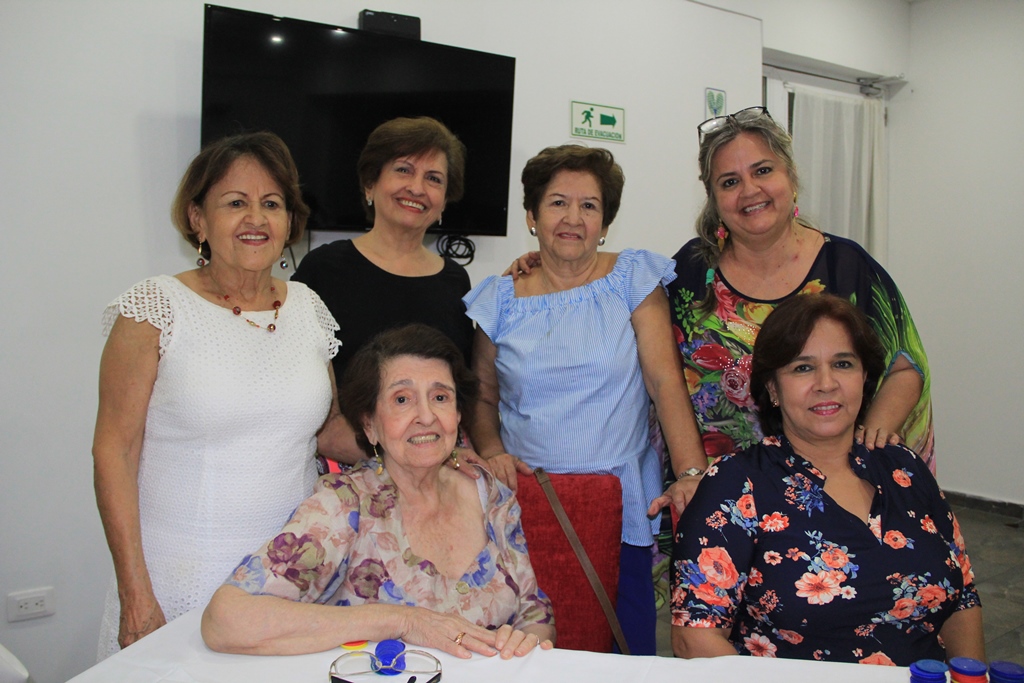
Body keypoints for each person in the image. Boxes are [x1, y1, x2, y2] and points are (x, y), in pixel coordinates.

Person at [92, 132, 340, 659]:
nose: (256, 218)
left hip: (291, 579)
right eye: (235, 203)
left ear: (290, 222)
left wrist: (420, 441)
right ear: (197, 219)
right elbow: (113, 451)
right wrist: (136, 593)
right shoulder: (154, 308)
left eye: (272, 204)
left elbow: (328, 428)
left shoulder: (308, 307)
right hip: (180, 579)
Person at [463, 145, 708, 655]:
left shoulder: (634, 280)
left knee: (625, 647)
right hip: (527, 503)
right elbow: (482, 396)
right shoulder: (498, 297)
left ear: (605, 221)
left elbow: (665, 383)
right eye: (557, 203)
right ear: (532, 216)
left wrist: (691, 474)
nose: (573, 218)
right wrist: (491, 452)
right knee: (527, 647)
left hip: (619, 502)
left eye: (589, 206)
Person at [201, 325, 555, 659]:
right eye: (402, 400)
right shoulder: (343, 504)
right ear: (370, 425)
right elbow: (225, 620)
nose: (426, 416)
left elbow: (534, 614)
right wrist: (402, 622)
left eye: (440, 397)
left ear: (458, 414)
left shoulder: (487, 491)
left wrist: (524, 644)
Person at [671, 294, 983, 665]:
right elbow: (695, 638)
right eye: (802, 368)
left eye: (843, 364)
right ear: (772, 388)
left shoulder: (904, 467)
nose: (826, 383)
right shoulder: (736, 484)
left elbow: (962, 596)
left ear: (864, 377)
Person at [669, 106, 933, 472]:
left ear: (791, 177)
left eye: (763, 170)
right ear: (713, 199)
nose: (750, 190)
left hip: (834, 482)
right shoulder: (690, 273)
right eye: (729, 181)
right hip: (719, 490)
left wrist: (869, 443)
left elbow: (905, 366)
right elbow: (663, 383)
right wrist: (692, 474)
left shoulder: (846, 267)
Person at [292, 117, 476, 465]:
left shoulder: (456, 281)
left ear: (444, 202)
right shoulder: (323, 269)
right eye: (403, 170)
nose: (417, 188)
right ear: (370, 184)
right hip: (343, 467)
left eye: (433, 178)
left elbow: (457, 391)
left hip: (431, 468)